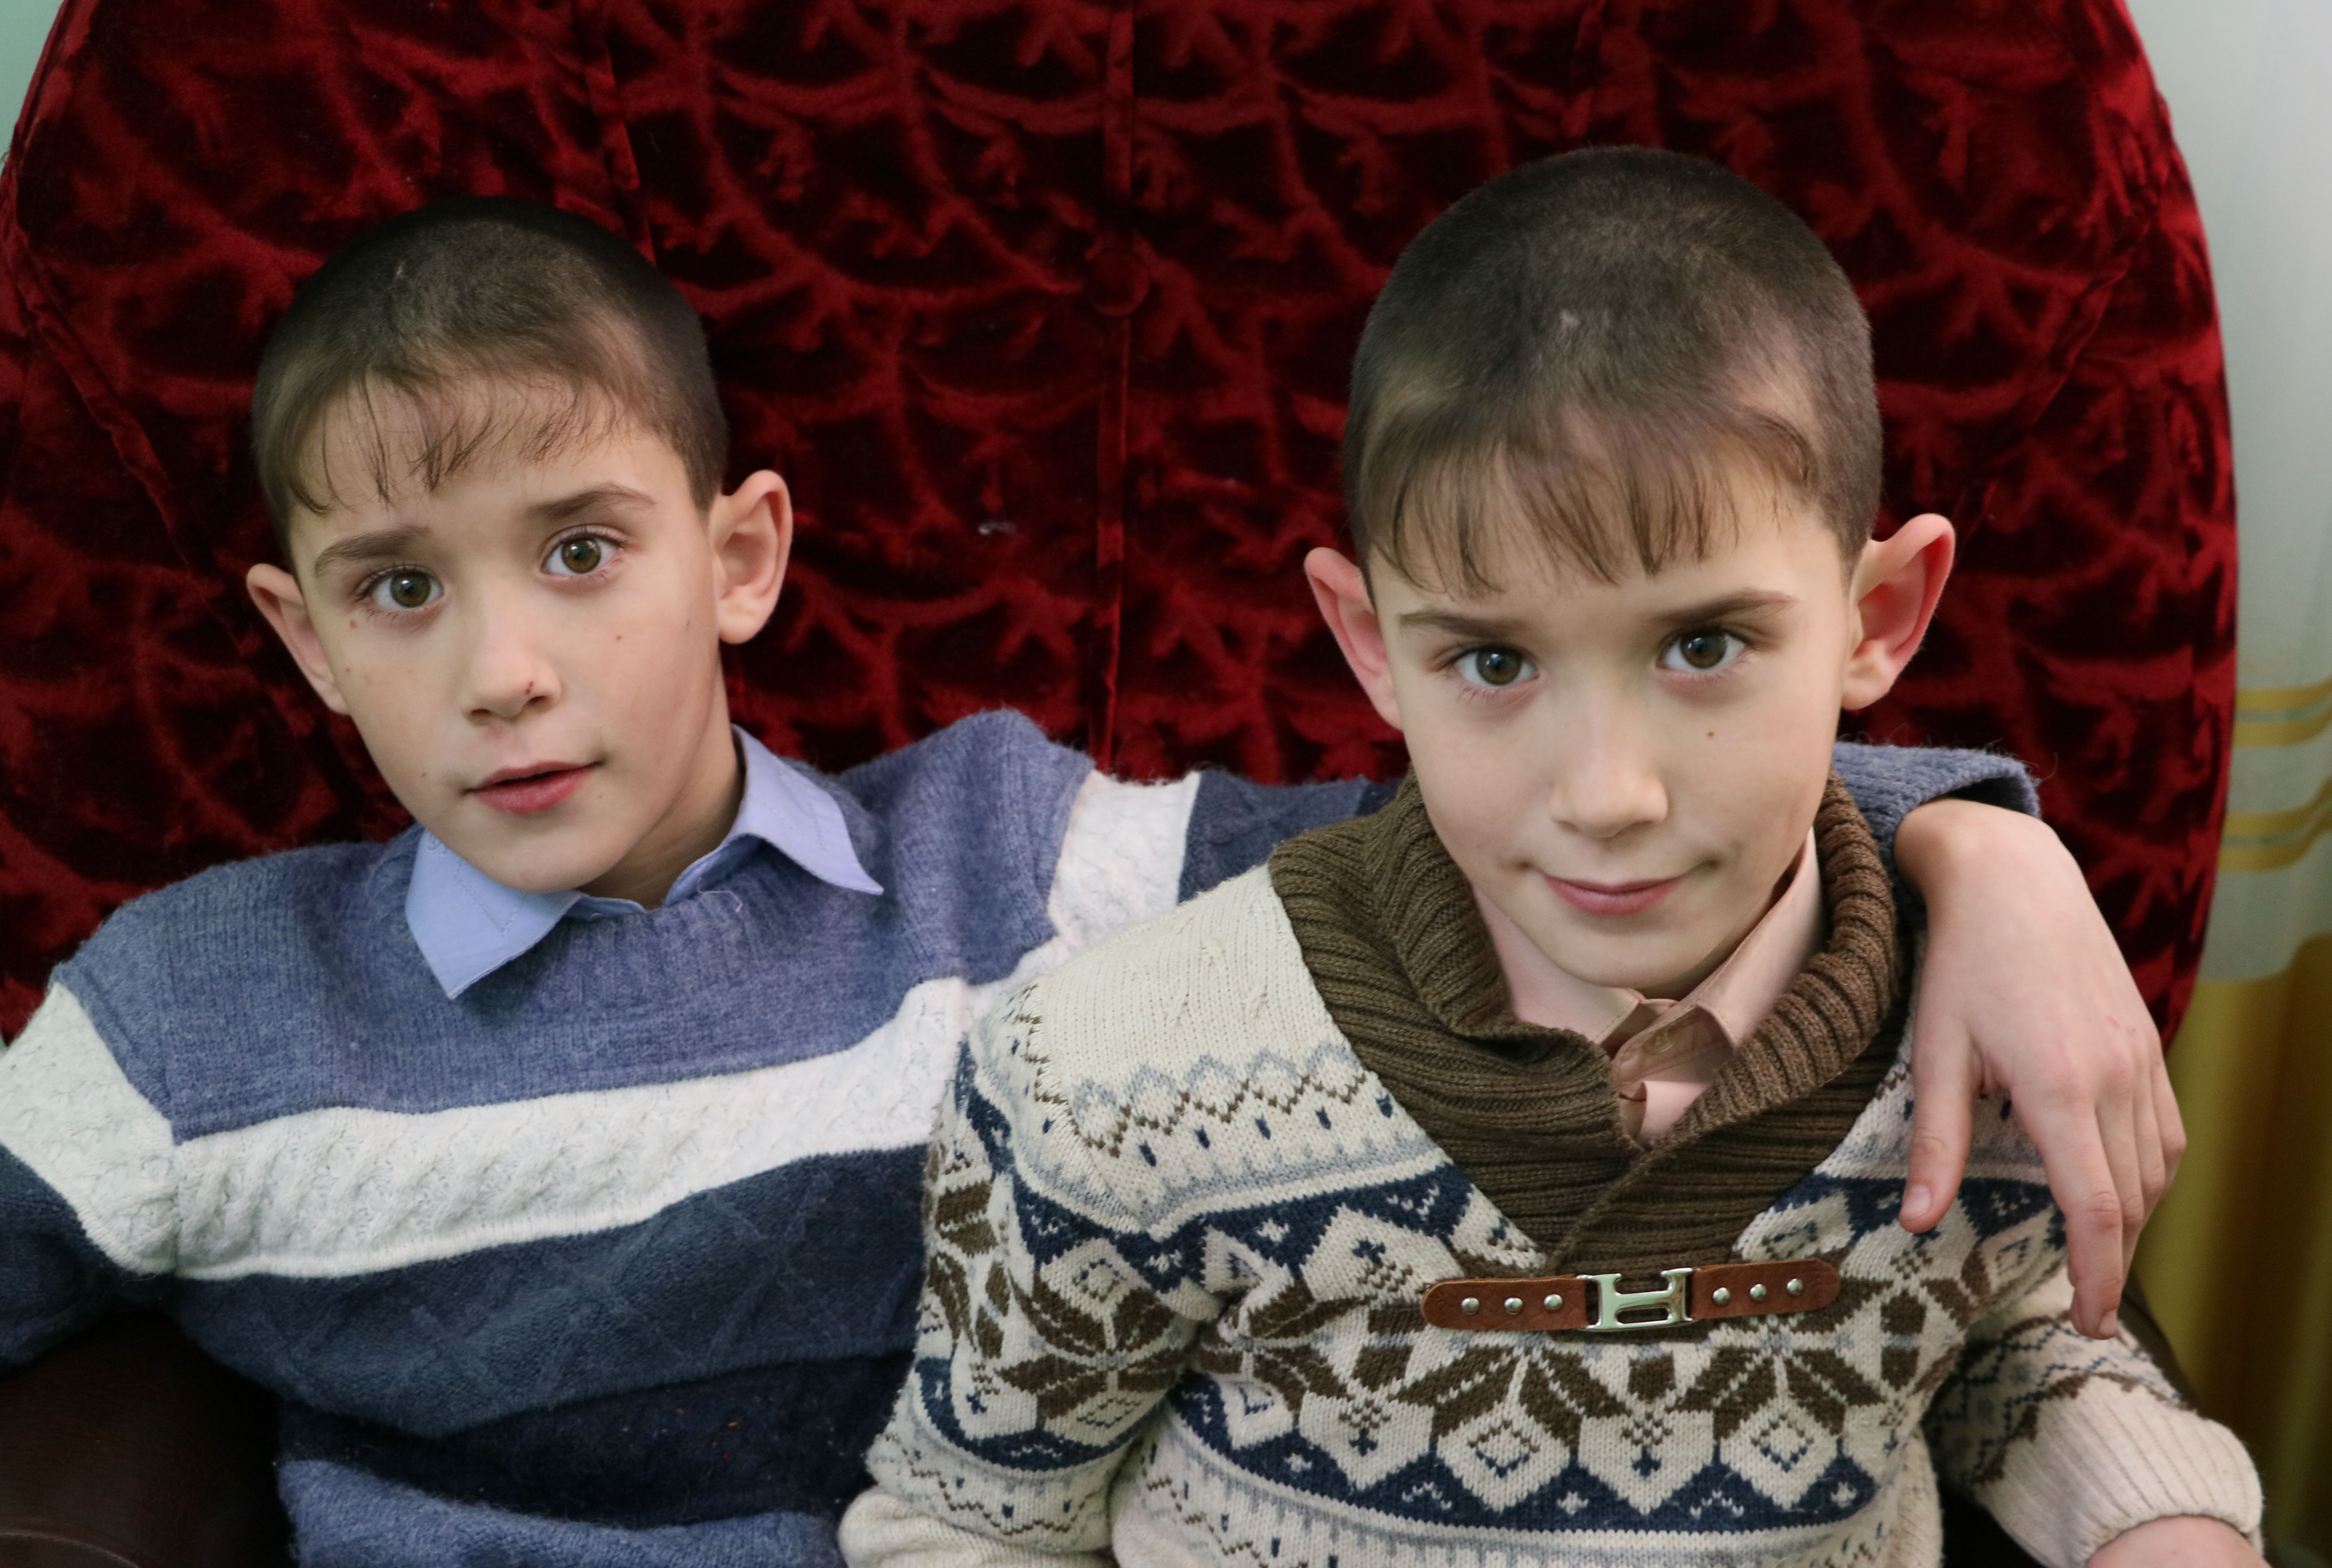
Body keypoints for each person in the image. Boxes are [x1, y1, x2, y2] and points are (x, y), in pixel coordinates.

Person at [0, 196, 2178, 1567]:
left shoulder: (1015, 861)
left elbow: (1509, 814)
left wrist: (1975, 836)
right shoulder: (184, 1022)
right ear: (300, 637)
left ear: (739, 557)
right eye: (400, 590)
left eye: (579, 551)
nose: (505, 672)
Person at [838, 150, 2262, 1567]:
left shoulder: (2000, 1020)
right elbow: (964, 1529)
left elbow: (2000, 1321)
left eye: (1704, 645)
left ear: (1878, 619)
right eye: (1495, 661)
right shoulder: (1097, 1089)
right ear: (1370, 645)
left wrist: (2164, 1524)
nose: (1606, 795)